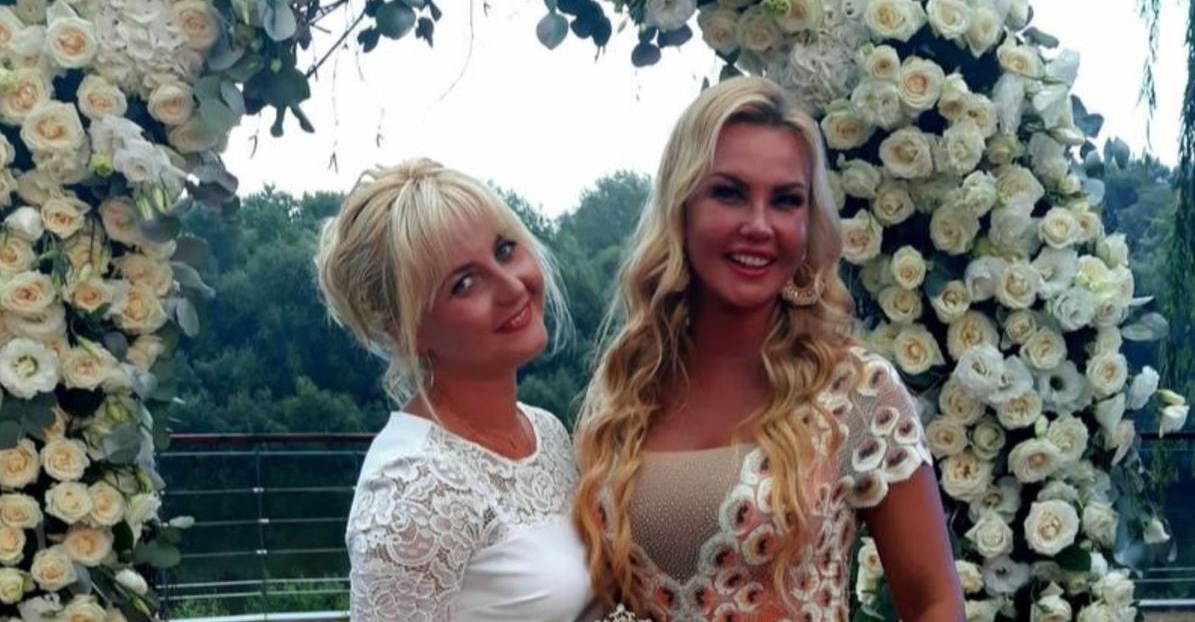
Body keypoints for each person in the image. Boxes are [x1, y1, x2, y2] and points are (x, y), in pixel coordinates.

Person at [573, 77, 964, 621]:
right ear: (681, 207)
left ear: (807, 223)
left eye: (785, 201)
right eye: (729, 193)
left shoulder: (856, 391)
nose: (759, 226)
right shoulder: (624, 388)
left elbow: (936, 603)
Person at [315, 159, 592, 621]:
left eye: (504, 250)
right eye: (464, 284)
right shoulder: (411, 489)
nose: (511, 287)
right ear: (407, 331)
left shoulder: (545, 431)